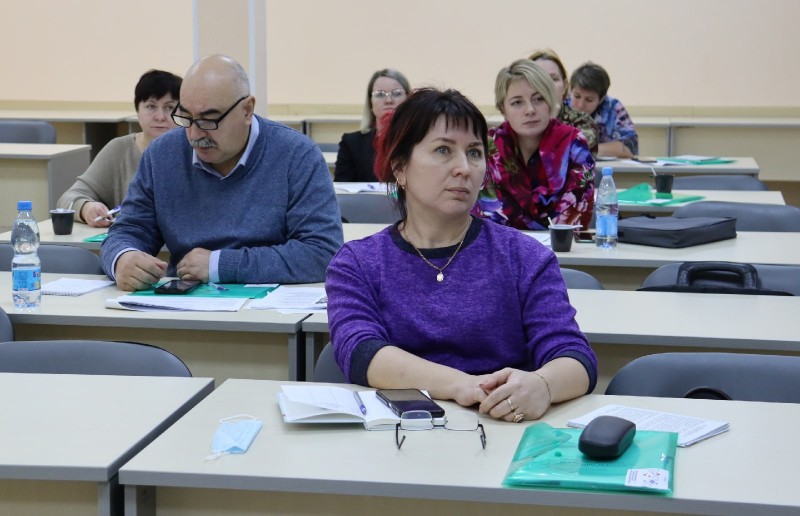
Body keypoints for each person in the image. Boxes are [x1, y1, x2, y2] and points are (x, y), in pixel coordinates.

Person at [326, 88, 597, 423]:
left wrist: (542, 385)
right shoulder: (358, 262)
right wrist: (461, 385)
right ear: (400, 168)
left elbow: (575, 357)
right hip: (398, 437)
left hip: (502, 431)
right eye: (443, 150)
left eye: (474, 153)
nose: (464, 168)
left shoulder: (523, 256)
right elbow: (361, 353)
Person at [101, 55, 343, 291]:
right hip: (180, 309)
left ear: (247, 110)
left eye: (209, 120)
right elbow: (129, 229)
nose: (195, 135)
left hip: (270, 313)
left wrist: (221, 265)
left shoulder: (296, 155)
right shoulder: (162, 155)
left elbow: (322, 252)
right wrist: (122, 258)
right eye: (185, 117)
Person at [474, 59, 595, 230]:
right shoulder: (489, 147)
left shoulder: (574, 143)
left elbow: (576, 213)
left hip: (562, 251)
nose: (530, 110)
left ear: (550, 102)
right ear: (503, 109)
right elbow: (488, 215)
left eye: (538, 99)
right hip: (504, 251)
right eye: (517, 102)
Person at [57, 69, 182, 227]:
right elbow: (69, 197)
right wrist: (86, 208)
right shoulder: (119, 150)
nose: (160, 116)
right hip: (130, 245)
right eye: (151, 106)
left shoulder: (193, 152)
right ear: (137, 110)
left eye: (169, 108)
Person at [333, 69, 410, 182]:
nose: (388, 100)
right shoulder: (351, 143)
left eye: (397, 93)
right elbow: (343, 191)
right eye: (380, 94)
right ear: (370, 103)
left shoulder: (418, 140)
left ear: (408, 100)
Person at [528, 49, 599, 154]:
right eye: (539, 79)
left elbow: (572, 157)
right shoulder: (519, 119)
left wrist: (551, 122)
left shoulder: (582, 122)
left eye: (553, 79)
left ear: (565, 86)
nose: (547, 85)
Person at [567, 61, 638, 158]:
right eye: (576, 96)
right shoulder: (560, 106)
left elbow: (629, 148)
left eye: (589, 100)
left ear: (601, 99)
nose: (580, 105)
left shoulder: (613, 107)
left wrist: (585, 149)